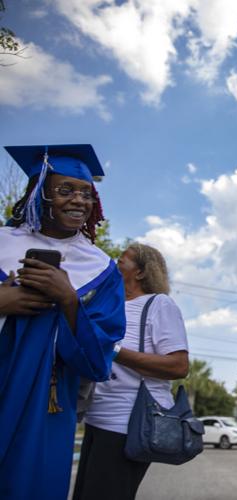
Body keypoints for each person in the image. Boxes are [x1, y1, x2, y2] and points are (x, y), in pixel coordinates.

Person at [0, 144, 126, 500]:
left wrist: (69, 300)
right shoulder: (2, 243)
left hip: (47, 399)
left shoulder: (101, 269)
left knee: (30, 483)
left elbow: (100, 354)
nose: (78, 201)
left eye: (87, 194)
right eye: (65, 190)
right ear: (41, 195)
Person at [72, 242, 189, 500]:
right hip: (96, 419)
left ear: (140, 272)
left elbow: (179, 366)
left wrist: (113, 351)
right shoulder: (110, 305)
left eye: (122, 259)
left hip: (127, 424)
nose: (115, 262)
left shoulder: (159, 305)